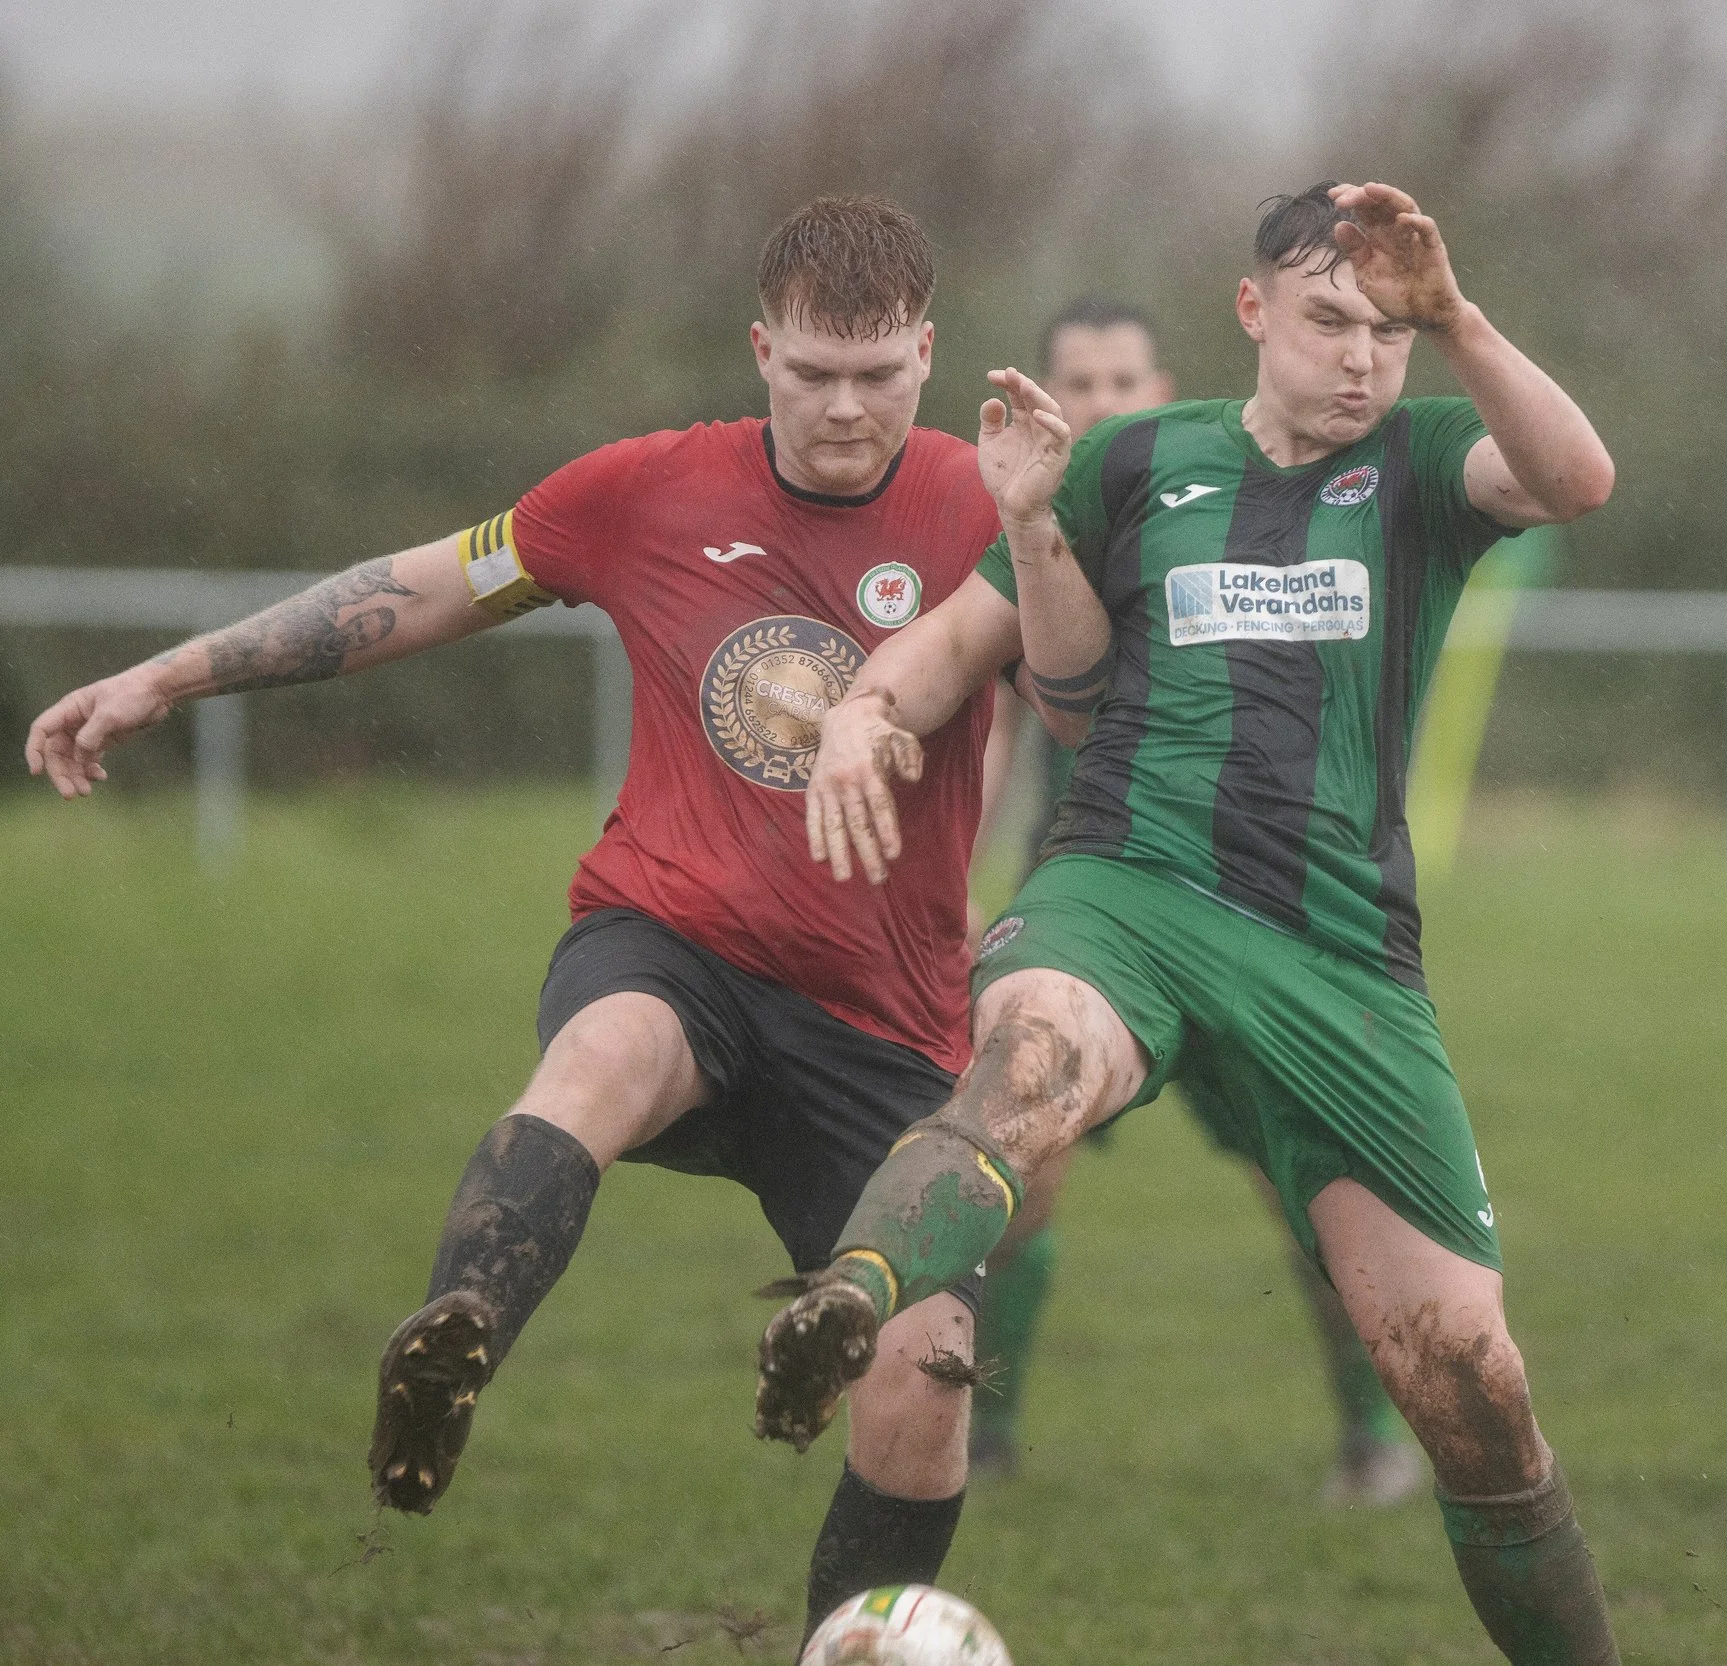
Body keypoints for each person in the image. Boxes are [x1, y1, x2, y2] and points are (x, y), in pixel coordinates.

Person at [23, 195, 1035, 1639]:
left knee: (924, 1378)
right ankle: (457, 1339)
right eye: (812, 371)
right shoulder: (646, 491)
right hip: (675, 937)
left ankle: (845, 1638)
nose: (843, 405)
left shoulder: (981, 500)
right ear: (759, 351)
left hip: (883, 1016)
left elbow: (1096, 671)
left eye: (877, 374)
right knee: (600, 1058)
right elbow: (423, 585)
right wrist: (171, 678)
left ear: (929, 355)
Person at [763, 181, 1621, 1664]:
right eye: (1332, 323)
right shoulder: (1136, 459)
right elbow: (1016, 659)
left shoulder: (1418, 461)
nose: (1364, 359)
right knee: (1027, 1068)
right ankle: (851, 1295)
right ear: (1252, 313)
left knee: (1474, 1385)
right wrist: (866, 707)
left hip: (1337, 956)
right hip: (1127, 888)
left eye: (1387, 333)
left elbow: (1579, 476)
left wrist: (1459, 318)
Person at [969, 296, 1421, 1507]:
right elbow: (995, 732)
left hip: (1248, 913)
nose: (1106, 398)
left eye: (1126, 376)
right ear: (1042, 394)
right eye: (1082, 377)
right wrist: (964, 893)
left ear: (1163, 381)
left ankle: (1372, 1440)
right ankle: (986, 1437)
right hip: (1082, 899)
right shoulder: (1040, 531)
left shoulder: (1213, 513)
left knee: (1309, 1193)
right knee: (1015, 1163)